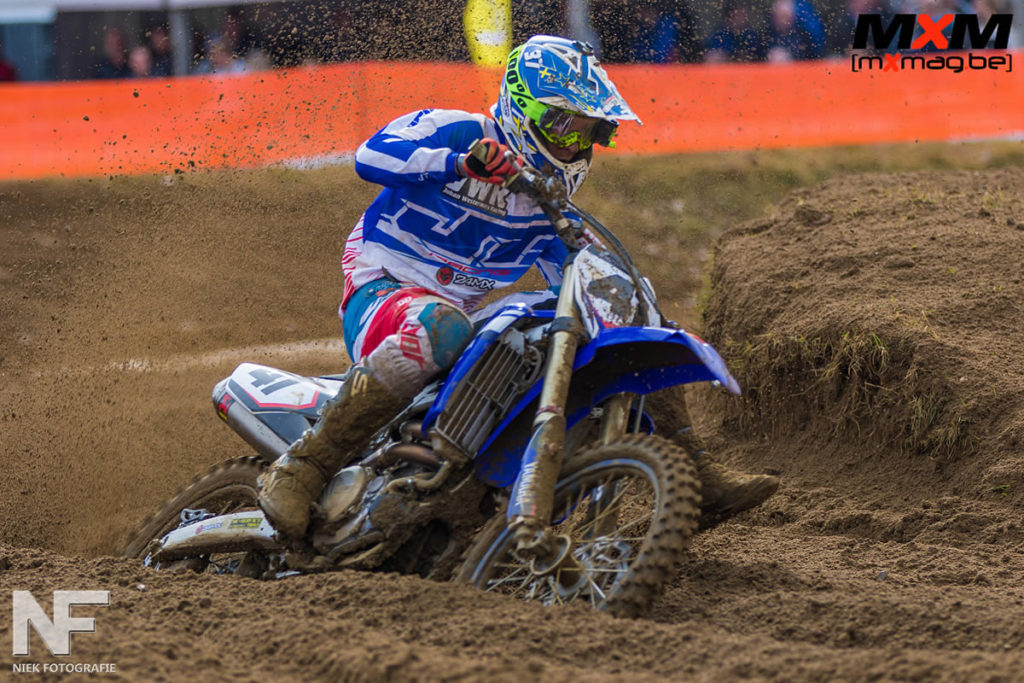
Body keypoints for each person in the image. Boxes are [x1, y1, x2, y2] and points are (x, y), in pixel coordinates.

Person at [257, 35, 778, 539]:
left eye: (587, 131)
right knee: (443, 326)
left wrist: (632, 308)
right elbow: (371, 155)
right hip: (383, 287)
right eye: (562, 126)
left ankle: (697, 475)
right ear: (520, 108)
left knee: (626, 323)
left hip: (458, 316)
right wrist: (459, 163)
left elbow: (595, 285)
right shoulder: (462, 131)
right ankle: (304, 465)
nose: (572, 143)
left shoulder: (551, 210)